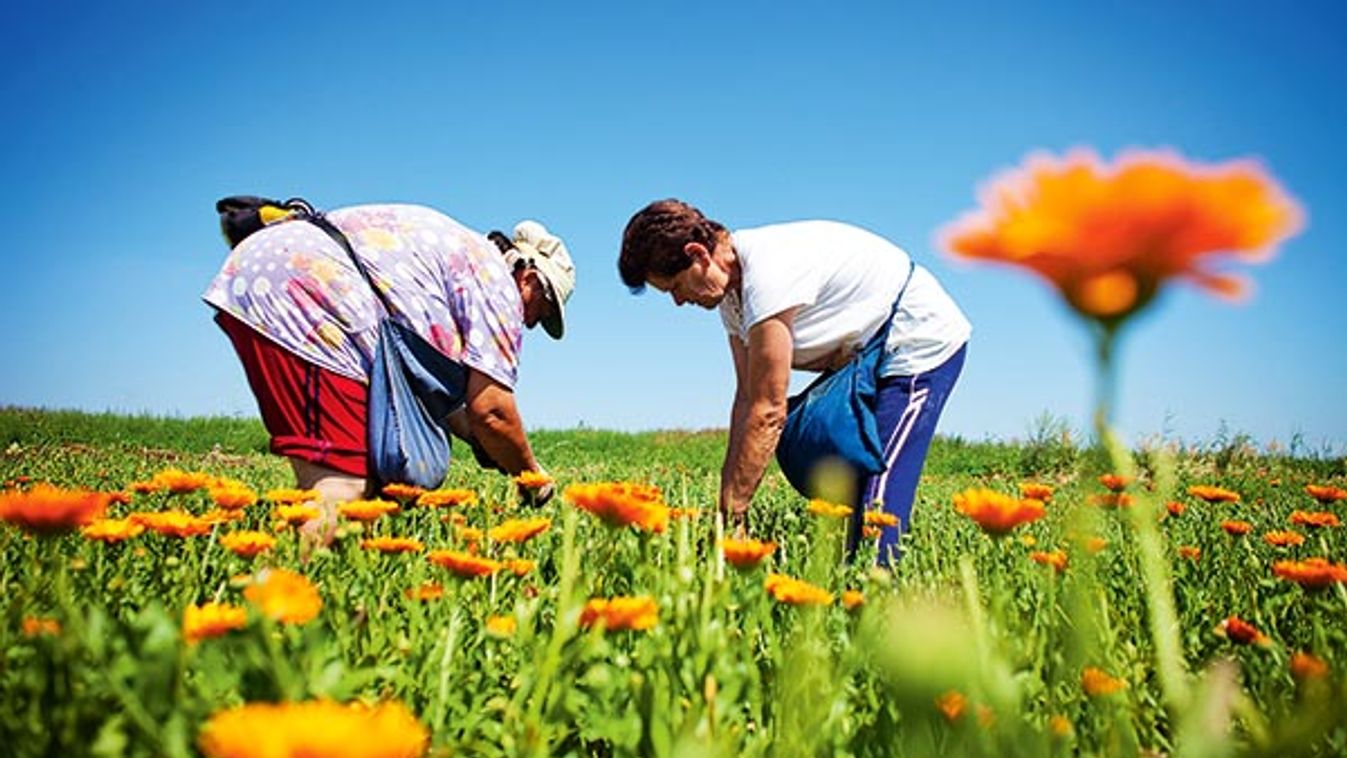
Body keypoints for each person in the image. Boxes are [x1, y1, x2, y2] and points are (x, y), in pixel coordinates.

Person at [618, 199, 969, 563]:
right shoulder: (731, 301)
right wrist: (727, 507)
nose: (677, 301)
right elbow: (747, 399)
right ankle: (852, 586)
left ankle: (881, 593)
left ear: (698, 254)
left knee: (878, 493)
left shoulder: (767, 272)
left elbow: (769, 411)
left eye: (675, 285)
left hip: (916, 341)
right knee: (845, 489)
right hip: (866, 355)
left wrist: (735, 512)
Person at [204, 203, 575, 519]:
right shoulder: (497, 285)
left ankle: (327, 593)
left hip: (281, 274)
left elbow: (426, 396)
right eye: (541, 311)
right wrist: (532, 478)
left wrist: (487, 443)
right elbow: (492, 410)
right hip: (304, 289)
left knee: (364, 490)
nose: (530, 323)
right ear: (528, 279)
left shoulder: (464, 263)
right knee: (343, 485)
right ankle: (287, 597)